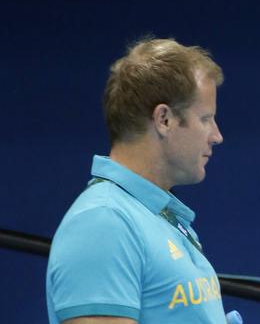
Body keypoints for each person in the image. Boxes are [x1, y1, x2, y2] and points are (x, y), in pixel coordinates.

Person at [46, 38, 233, 324]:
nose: (216, 135)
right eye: (206, 118)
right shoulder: (103, 222)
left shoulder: (158, 219)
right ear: (164, 119)